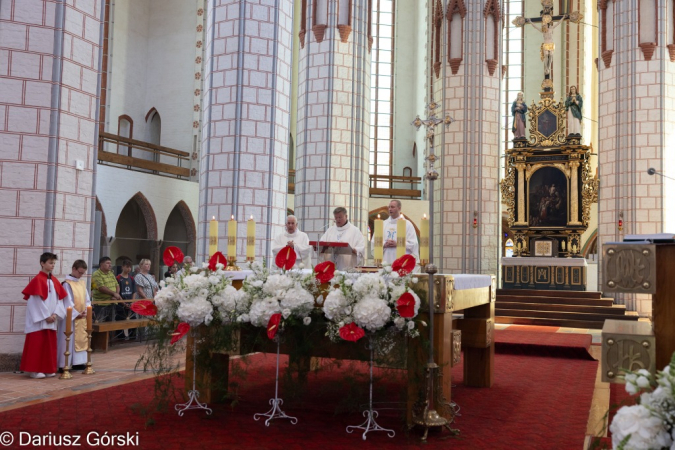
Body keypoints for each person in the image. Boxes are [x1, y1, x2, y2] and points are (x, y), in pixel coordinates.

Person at [19, 252, 67, 379]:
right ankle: (34, 370)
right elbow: (35, 301)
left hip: (51, 319)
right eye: (50, 263)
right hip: (40, 320)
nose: (52, 265)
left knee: (49, 344)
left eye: (54, 263)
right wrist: (46, 316)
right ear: (42, 263)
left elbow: (60, 300)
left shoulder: (55, 281)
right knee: (37, 343)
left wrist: (55, 314)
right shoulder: (37, 280)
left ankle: (47, 368)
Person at [57, 260, 91, 371]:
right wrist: (76, 313)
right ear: (74, 269)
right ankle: (64, 363)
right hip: (70, 318)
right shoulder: (67, 284)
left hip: (81, 316)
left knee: (81, 339)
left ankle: (78, 362)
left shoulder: (81, 283)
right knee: (68, 339)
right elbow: (67, 301)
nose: (81, 275)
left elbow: (87, 299)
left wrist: (86, 310)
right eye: (79, 272)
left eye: (82, 273)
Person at [371, 200, 420, 266]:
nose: (390, 209)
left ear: (399, 208)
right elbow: (374, 242)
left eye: (392, 207)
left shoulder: (407, 224)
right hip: (386, 259)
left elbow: (413, 244)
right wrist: (385, 244)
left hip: (402, 261)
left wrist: (398, 243)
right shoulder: (383, 224)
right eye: (389, 207)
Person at [91, 256, 121, 322]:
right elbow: (101, 288)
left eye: (110, 263)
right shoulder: (96, 274)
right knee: (100, 325)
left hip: (112, 302)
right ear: (101, 264)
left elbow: (117, 285)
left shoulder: (111, 273)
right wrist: (114, 293)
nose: (110, 265)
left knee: (111, 325)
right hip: (101, 304)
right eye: (107, 263)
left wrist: (116, 295)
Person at [116, 259, 136, 340]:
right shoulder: (118, 278)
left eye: (130, 267)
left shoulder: (131, 278)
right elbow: (118, 292)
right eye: (127, 267)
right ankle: (120, 338)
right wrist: (123, 302)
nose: (128, 269)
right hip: (121, 303)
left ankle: (132, 337)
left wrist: (132, 302)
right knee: (120, 322)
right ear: (122, 267)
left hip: (130, 303)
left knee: (133, 321)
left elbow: (134, 291)